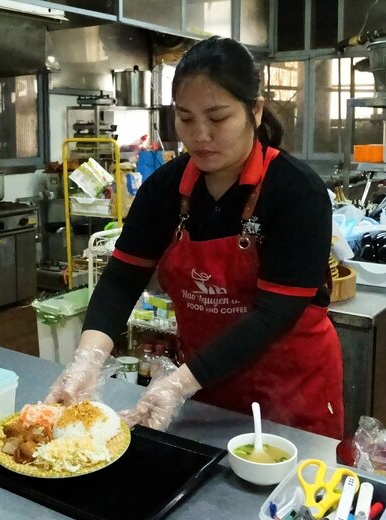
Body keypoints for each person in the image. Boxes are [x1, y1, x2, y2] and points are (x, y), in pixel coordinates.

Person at [45, 36, 344, 439]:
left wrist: (180, 382)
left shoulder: (295, 191)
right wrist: (87, 360)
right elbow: (121, 280)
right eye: (185, 119)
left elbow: (274, 313)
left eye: (218, 118)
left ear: (254, 111)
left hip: (289, 392)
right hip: (204, 386)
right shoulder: (164, 189)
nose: (200, 135)